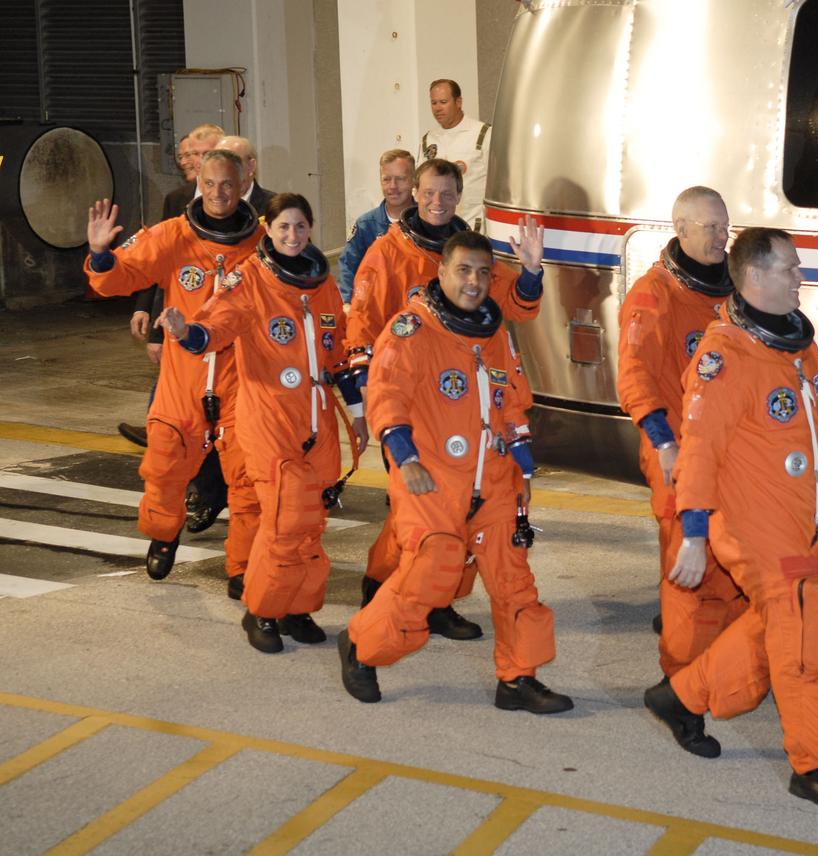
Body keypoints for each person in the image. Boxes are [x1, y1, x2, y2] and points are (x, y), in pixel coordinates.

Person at [644, 228, 818, 810]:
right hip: (748, 523)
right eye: (790, 268)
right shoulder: (725, 356)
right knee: (805, 628)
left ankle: (681, 696)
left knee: (771, 624)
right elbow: (698, 451)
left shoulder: (798, 345)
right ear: (754, 278)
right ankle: (815, 764)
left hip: (798, 515)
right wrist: (693, 535)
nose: (801, 276)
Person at [338, 230, 572, 715]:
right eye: (463, 271)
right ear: (441, 272)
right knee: (430, 575)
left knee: (514, 582)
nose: (473, 282)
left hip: (495, 480)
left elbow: (511, 403)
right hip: (432, 477)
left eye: (484, 273)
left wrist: (524, 469)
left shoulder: (493, 333)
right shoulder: (411, 330)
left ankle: (518, 678)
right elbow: (386, 398)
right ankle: (361, 646)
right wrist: (405, 458)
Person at [157, 193, 368, 653]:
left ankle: (298, 606)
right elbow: (214, 327)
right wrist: (184, 331)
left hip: (316, 419)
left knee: (312, 521)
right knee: (282, 518)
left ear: (310, 229)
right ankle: (262, 610)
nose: (292, 236)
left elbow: (338, 354)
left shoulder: (322, 284)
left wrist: (357, 412)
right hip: (269, 418)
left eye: (300, 227)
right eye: (283, 227)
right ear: (267, 229)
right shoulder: (248, 279)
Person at [345, 158, 545, 641]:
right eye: (430, 193)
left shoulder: (471, 255)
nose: (438, 202)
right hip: (416, 402)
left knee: (467, 506)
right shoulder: (386, 252)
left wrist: (533, 272)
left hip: (466, 402)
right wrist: (364, 392)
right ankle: (384, 586)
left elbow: (513, 304)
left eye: (447, 195)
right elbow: (364, 322)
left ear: (460, 197)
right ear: (414, 194)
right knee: (421, 510)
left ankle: (439, 600)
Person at [85, 149, 264, 596]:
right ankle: (164, 535)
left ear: (243, 185)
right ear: (198, 184)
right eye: (210, 184)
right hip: (182, 375)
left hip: (242, 374)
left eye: (228, 184)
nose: (219, 193)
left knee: (248, 476)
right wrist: (101, 252)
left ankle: (242, 566)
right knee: (164, 468)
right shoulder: (174, 235)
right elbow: (120, 277)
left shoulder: (262, 241)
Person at [616, 186, 747, 747]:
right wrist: (663, 442)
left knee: (733, 562)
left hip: (732, 450)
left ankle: (715, 669)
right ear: (681, 228)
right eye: (711, 228)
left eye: (725, 226)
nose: (723, 237)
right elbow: (635, 375)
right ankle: (678, 687)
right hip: (676, 446)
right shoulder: (654, 295)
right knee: (687, 569)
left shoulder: (736, 291)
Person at [119, 122, 227, 448]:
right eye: (187, 155)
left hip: (228, 319)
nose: (191, 161)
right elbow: (159, 263)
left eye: (200, 153)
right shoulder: (177, 199)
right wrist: (147, 314)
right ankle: (161, 427)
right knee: (175, 374)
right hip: (184, 314)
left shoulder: (262, 206)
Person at [336, 149, 416, 305]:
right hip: (375, 311)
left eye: (400, 179)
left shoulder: (426, 223)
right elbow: (347, 267)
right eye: (386, 179)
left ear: (413, 180)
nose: (393, 186)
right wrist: (348, 304)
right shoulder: (366, 225)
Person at [419, 79, 490, 230]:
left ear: (458, 102)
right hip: (437, 228)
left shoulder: (483, 134)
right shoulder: (428, 140)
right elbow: (419, 185)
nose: (437, 108)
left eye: (443, 102)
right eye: (434, 103)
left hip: (472, 227)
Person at [215, 135, 276, 214]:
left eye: (232, 162)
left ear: (251, 166)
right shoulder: (201, 207)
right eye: (217, 162)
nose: (223, 169)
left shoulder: (274, 207)